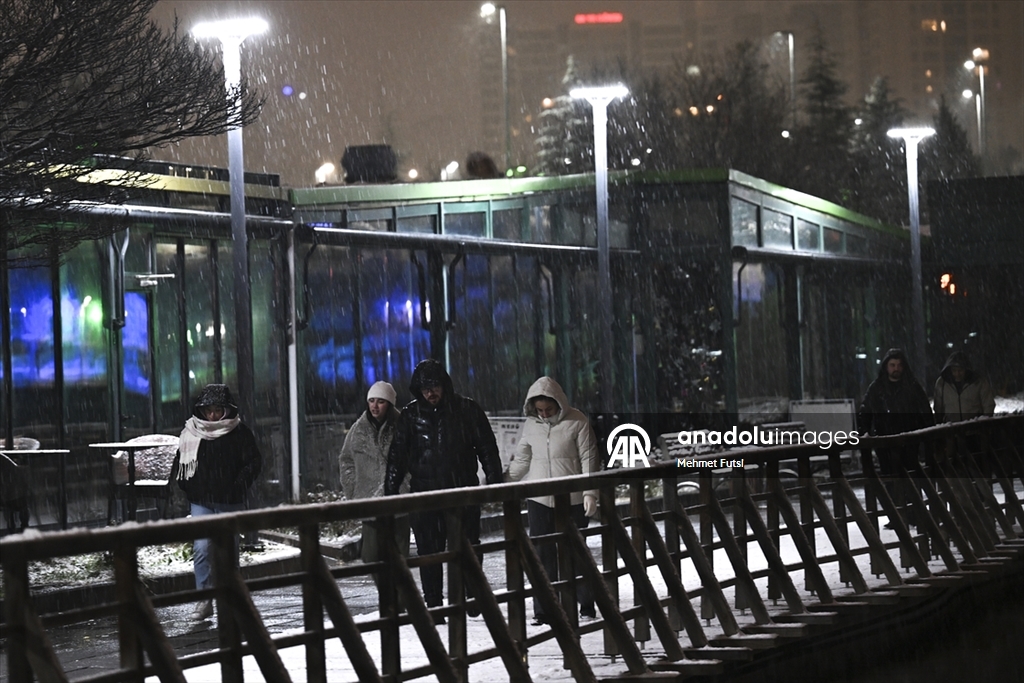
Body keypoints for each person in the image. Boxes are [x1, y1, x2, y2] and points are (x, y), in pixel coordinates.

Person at [384, 359, 503, 622]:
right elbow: (398, 456)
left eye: (434, 386)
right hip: (427, 493)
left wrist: (494, 480)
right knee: (430, 551)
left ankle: (470, 597)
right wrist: (390, 490)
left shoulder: (466, 410)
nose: (430, 393)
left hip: (460, 491)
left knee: (467, 547)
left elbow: (486, 447)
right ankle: (436, 604)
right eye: (425, 388)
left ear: (444, 385)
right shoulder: (411, 415)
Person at [507, 377, 600, 625]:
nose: (544, 414)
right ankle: (544, 609)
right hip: (539, 498)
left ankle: (585, 604)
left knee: (575, 552)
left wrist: (590, 493)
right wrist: (504, 480)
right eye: (539, 410)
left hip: (571, 498)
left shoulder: (577, 421)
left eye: (548, 409)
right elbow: (523, 460)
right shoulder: (531, 425)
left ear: (559, 403)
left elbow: (589, 459)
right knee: (542, 554)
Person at [172, 384, 262, 621]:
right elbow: (180, 466)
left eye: (217, 410)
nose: (212, 415)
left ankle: (231, 596)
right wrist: (192, 488)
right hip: (202, 501)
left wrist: (236, 486)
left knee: (228, 551)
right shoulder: (191, 433)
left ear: (226, 410)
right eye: (208, 410)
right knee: (201, 549)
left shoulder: (239, 433)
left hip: (229, 503)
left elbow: (253, 463)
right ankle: (205, 598)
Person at [858, 349, 933, 529]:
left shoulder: (911, 386)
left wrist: (927, 434)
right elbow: (865, 411)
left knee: (910, 478)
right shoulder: (877, 388)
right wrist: (864, 432)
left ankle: (913, 513)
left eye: (899, 365)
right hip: (885, 441)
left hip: (908, 440)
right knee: (891, 479)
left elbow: (924, 411)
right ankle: (898, 514)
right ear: (886, 367)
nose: (896, 369)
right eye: (892, 365)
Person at [339, 381, 410, 565]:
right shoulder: (358, 430)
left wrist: (405, 485)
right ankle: (389, 593)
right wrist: (353, 489)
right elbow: (346, 459)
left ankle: (398, 593)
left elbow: (413, 458)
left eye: (380, 401)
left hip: (397, 498)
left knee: (399, 556)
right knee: (371, 556)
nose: (375, 406)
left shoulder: (402, 426)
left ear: (390, 404)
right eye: (371, 401)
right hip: (369, 499)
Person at [933, 350, 995, 423]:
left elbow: (988, 405)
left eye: (960, 370)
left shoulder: (979, 382)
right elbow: (938, 408)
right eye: (954, 370)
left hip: (975, 427)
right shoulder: (942, 383)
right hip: (950, 428)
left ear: (966, 369)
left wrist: (984, 423)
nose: (957, 374)